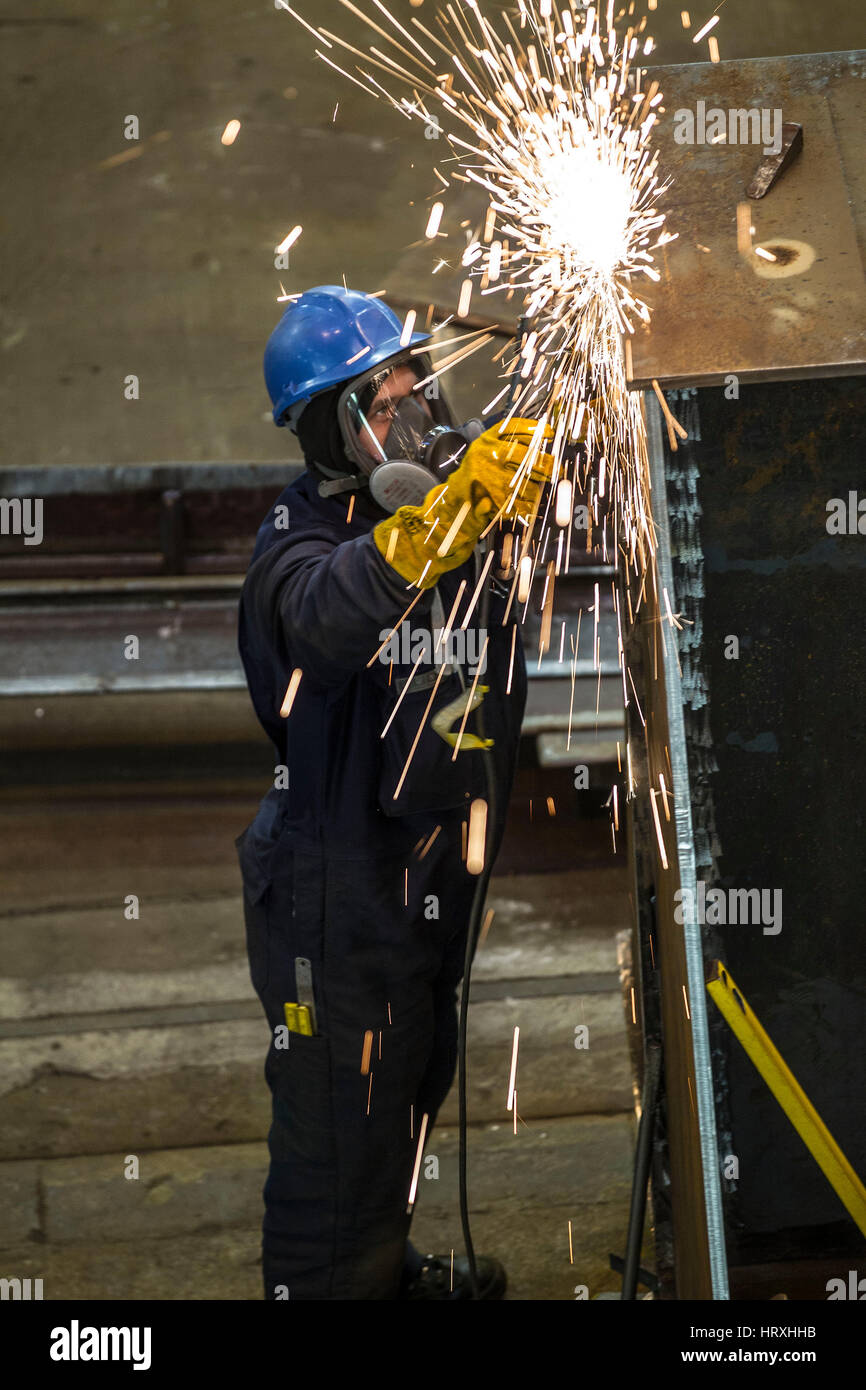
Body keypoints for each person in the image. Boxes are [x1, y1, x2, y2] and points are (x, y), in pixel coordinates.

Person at [236, 284, 554, 1300]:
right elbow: (328, 616)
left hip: (414, 885)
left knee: (404, 1086)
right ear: (333, 425)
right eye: (385, 401)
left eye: (415, 387)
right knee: (339, 1130)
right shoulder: (297, 546)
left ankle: (381, 1267)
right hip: (332, 897)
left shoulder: (431, 504)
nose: (413, 413)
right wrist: (444, 520)